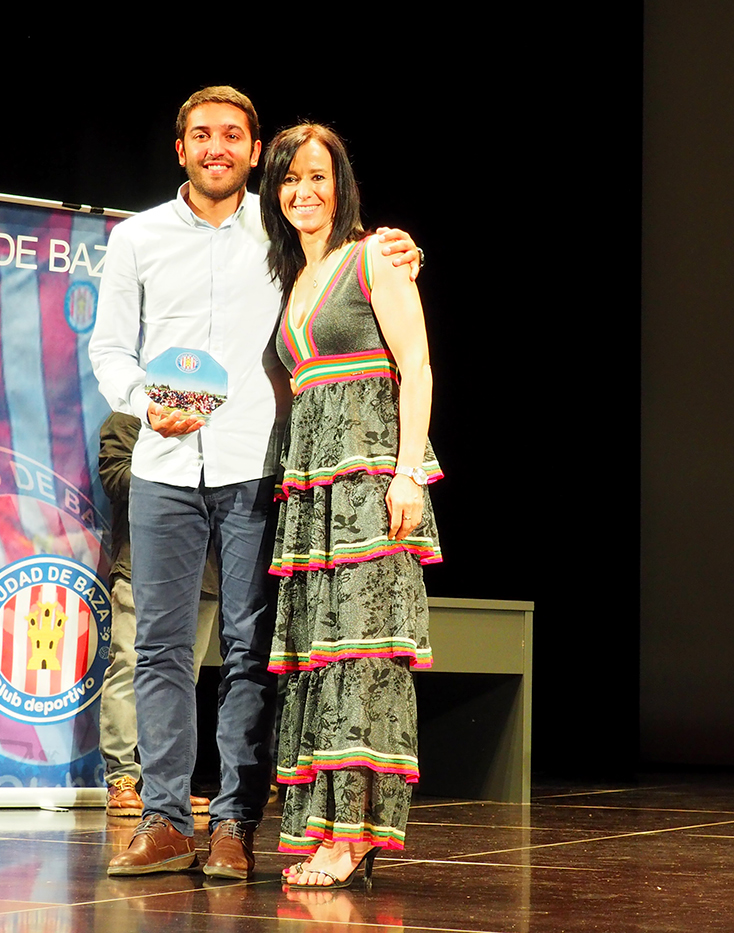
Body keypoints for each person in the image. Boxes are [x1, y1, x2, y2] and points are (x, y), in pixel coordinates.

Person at [88, 86, 420, 880]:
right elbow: (109, 350)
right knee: (160, 648)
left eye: (232, 135)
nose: (217, 147)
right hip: (163, 466)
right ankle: (165, 820)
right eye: (202, 134)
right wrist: (144, 403)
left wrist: (399, 249)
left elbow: (352, 261)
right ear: (180, 148)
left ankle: (234, 823)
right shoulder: (137, 237)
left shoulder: (278, 230)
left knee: (248, 650)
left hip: (257, 465)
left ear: (254, 149)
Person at [258, 123, 442, 890]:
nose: (303, 191)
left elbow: (417, 365)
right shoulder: (291, 277)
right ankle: (329, 827)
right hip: (312, 495)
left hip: (369, 482)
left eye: (317, 176)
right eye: (289, 178)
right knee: (320, 656)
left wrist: (408, 475)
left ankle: (356, 834)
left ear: (342, 185)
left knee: (361, 656)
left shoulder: (375, 256)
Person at [95, 410, 215, 818]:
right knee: (130, 666)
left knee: (183, 679)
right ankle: (122, 778)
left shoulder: (219, 417)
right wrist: (175, 461)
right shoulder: (128, 415)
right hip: (141, 567)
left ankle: (168, 785)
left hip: (204, 573)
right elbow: (116, 480)